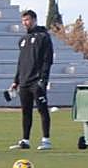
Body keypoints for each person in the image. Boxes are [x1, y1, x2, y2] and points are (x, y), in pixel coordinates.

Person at [9, 9, 55, 150]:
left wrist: (43, 79)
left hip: (37, 81)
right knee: (25, 111)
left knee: (42, 110)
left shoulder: (43, 37)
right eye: (23, 20)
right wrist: (16, 80)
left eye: (27, 20)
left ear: (34, 20)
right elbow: (21, 62)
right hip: (24, 81)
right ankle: (25, 140)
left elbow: (48, 60)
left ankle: (46, 140)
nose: (25, 23)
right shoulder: (23, 40)